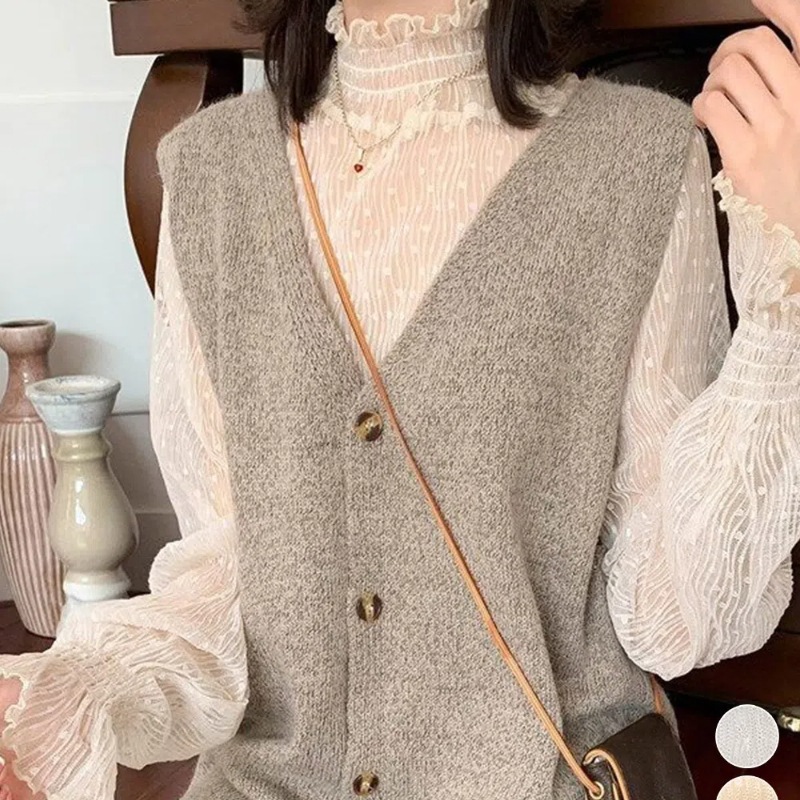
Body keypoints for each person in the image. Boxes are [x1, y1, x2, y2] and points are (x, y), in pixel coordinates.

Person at [2, 0, 800, 798]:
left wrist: (785, 298)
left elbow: (672, 613)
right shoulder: (211, 174)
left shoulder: (637, 158)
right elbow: (223, 587)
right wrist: (73, 695)